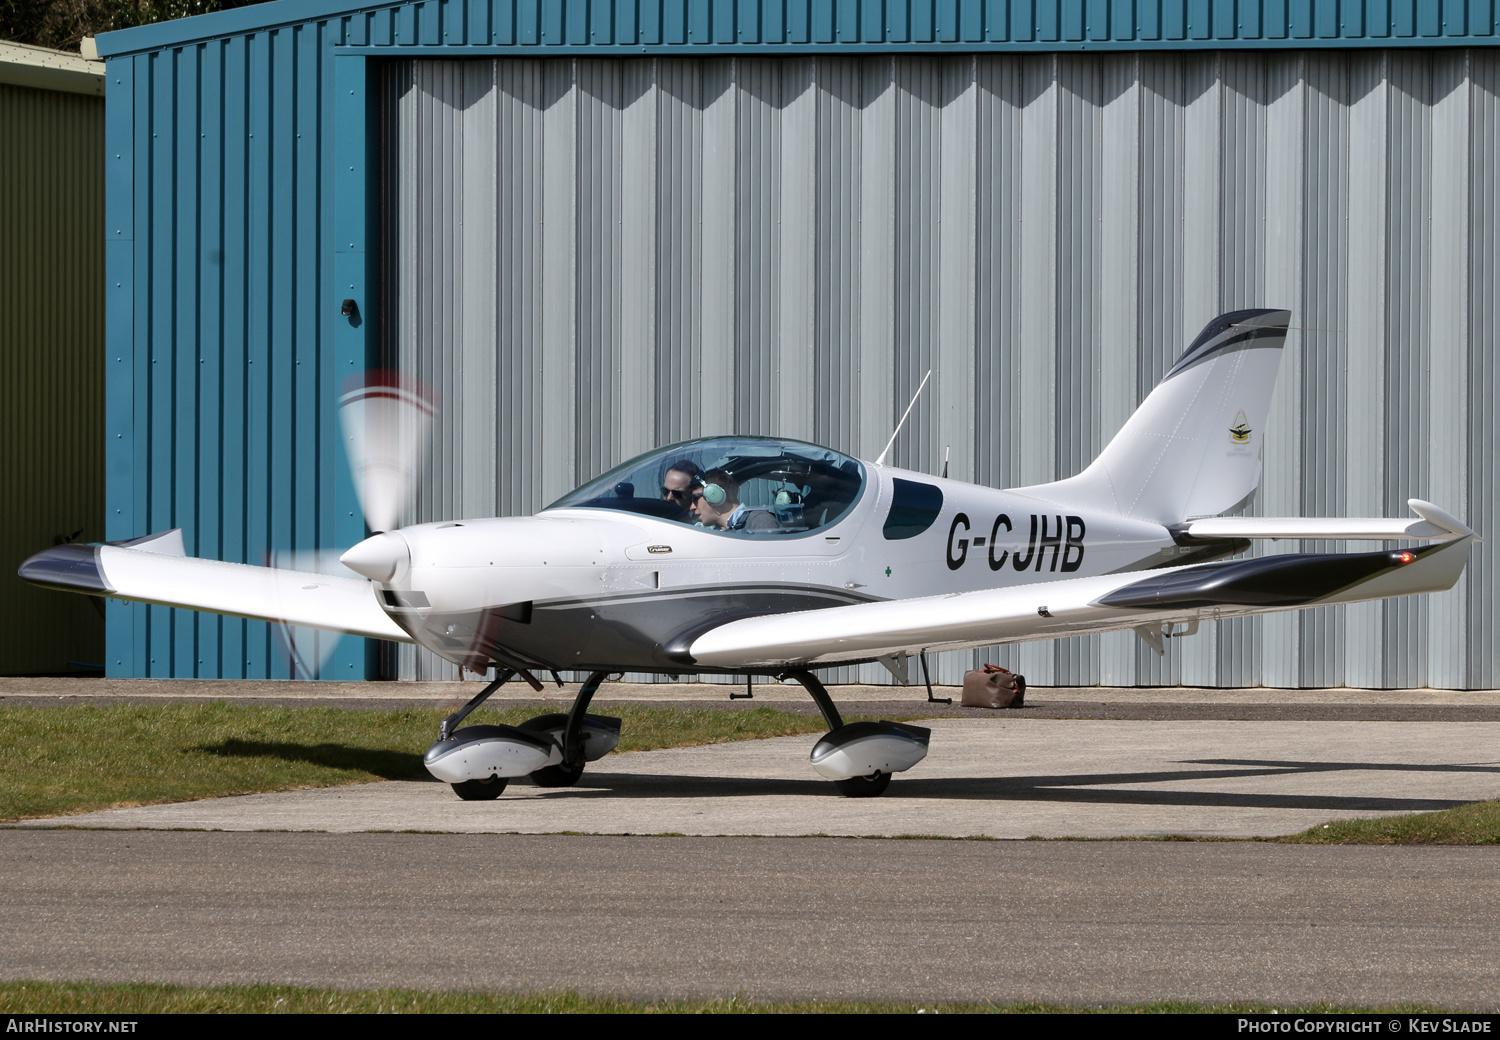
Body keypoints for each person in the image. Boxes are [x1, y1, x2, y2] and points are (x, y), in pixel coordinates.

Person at [691, 469, 779, 533]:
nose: (692, 507)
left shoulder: (759, 521)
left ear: (713, 495)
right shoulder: (711, 534)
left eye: (695, 499)